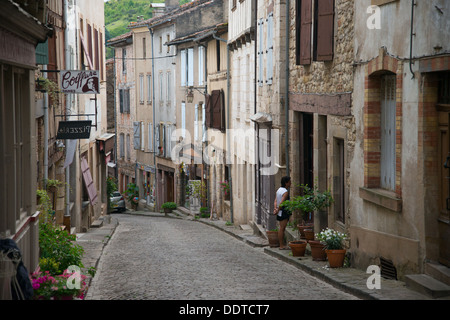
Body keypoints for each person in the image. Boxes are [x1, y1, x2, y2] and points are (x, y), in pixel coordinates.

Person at [273, 176, 292, 250]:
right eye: (289, 181)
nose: (290, 183)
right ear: (286, 183)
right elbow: (281, 202)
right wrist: (278, 209)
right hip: (283, 211)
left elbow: (276, 201)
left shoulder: (278, 190)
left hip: (279, 211)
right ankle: (281, 245)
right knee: (282, 228)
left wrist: (275, 208)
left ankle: (282, 244)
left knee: (281, 228)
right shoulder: (285, 192)